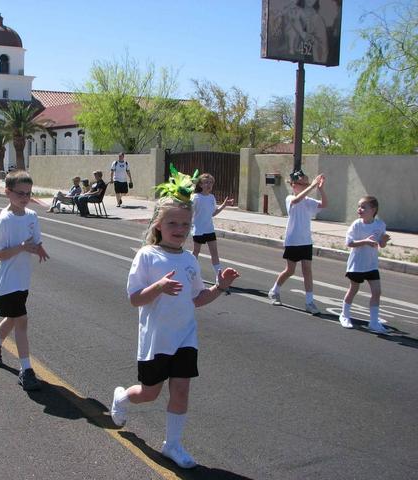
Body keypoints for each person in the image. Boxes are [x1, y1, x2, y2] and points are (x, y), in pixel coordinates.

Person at [110, 167, 240, 469]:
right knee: (149, 394)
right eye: (173, 223)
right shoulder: (147, 255)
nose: (180, 229)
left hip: (184, 336)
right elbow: (134, 299)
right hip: (156, 339)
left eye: (185, 224)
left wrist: (220, 287)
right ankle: (121, 398)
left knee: (181, 389)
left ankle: (172, 444)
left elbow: (197, 299)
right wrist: (158, 287)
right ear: (158, 224)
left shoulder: (190, 259)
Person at [0, 170, 50, 391]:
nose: (25, 197)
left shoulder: (32, 216)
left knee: (12, 319)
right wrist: (22, 248)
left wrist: (38, 248)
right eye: (20, 193)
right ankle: (26, 370)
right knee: (21, 321)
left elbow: (35, 239)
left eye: (28, 193)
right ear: (7, 192)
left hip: (22, 278)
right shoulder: (3, 220)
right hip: (6, 279)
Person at [268, 170, 327, 314]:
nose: (307, 185)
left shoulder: (309, 202)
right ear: (294, 185)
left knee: (307, 271)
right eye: (303, 183)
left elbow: (324, 204)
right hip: (293, 240)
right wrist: (312, 186)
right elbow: (296, 200)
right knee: (290, 270)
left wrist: (321, 189)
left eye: (307, 183)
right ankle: (274, 291)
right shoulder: (290, 198)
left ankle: (309, 302)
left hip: (306, 240)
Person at [339, 196, 390, 333]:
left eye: (363, 207)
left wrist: (384, 240)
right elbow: (349, 243)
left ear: (373, 210)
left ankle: (373, 322)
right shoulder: (356, 225)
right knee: (353, 289)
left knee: (377, 292)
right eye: (359, 206)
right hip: (357, 264)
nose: (359, 209)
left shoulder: (380, 225)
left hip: (371, 265)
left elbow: (381, 244)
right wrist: (365, 241)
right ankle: (344, 315)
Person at [191, 173, 234, 279]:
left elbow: (213, 213)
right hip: (198, 230)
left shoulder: (211, 197)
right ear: (200, 185)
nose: (208, 185)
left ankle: (219, 276)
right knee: (196, 252)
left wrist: (224, 205)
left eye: (210, 183)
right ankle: (191, 272)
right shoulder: (196, 197)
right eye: (206, 182)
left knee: (214, 253)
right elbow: (189, 212)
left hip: (209, 229)